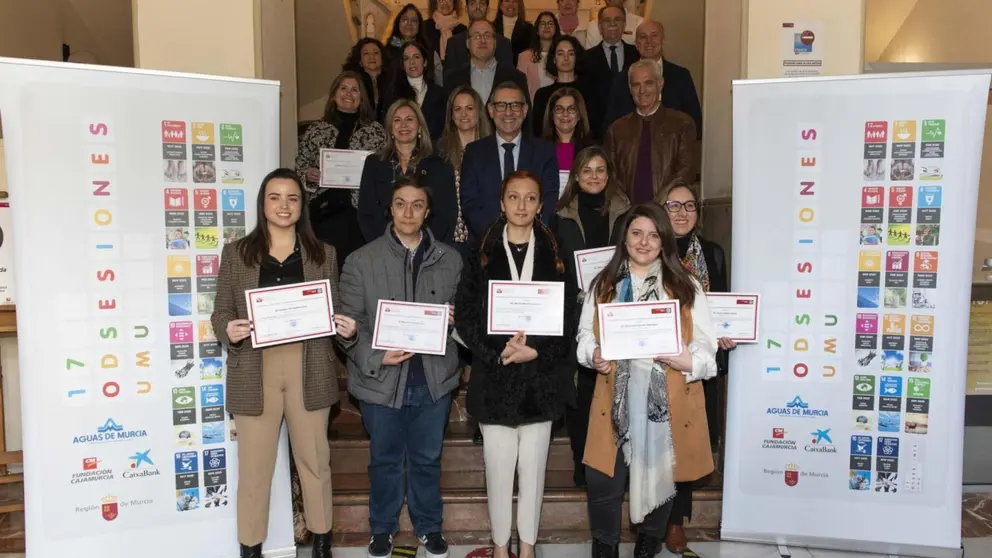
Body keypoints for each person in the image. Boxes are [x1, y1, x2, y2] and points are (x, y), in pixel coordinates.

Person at [212, 168, 358, 558]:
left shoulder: (322, 254)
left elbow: (335, 309)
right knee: (255, 472)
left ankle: (322, 545)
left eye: (292, 198)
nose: (283, 205)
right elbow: (220, 311)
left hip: (308, 366)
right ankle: (251, 549)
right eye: (275, 197)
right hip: (254, 370)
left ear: (302, 205)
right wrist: (229, 329)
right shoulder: (236, 253)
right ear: (263, 204)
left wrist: (347, 328)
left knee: (315, 464)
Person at [577, 202, 717, 558]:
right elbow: (583, 337)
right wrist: (593, 354)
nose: (644, 242)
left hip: (667, 403)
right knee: (603, 483)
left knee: (660, 480)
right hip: (614, 400)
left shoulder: (687, 288)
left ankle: (647, 549)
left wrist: (688, 360)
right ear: (624, 239)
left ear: (664, 241)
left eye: (654, 235)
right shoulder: (603, 285)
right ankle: (604, 549)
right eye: (637, 233)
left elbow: (707, 349)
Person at [339, 176, 463, 558]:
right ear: (390, 208)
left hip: (432, 377)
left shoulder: (451, 259)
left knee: (427, 459)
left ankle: (428, 526)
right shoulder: (361, 260)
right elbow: (347, 324)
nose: (408, 212)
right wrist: (377, 357)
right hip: (381, 379)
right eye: (400, 203)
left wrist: (456, 322)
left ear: (427, 212)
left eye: (417, 205)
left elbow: (464, 318)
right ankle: (383, 528)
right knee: (385, 460)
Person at [454, 170, 575, 558]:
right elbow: (467, 316)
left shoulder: (557, 255)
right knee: (498, 471)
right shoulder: (480, 252)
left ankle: (527, 547)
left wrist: (536, 350)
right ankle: (500, 545)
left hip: (539, 382)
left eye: (530, 198)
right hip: (495, 379)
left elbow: (568, 317)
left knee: (534, 473)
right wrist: (498, 352)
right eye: (513, 197)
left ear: (541, 206)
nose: (521, 206)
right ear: (502, 202)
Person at [660, 179, 734, 555]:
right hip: (659, 363)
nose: (683, 213)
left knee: (688, 444)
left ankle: (676, 523)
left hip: (699, 363)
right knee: (660, 445)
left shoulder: (714, 253)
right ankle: (654, 518)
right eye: (674, 206)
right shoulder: (651, 249)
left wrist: (727, 333)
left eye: (689, 206)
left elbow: (722, 304)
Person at [553, 146, 630, 488]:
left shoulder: (627, 213)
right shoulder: (560, 216)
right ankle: (582, 462)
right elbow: (555, 268)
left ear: (609, 174)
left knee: (616, 385)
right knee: (582, 390)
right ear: (576, 176)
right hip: (575, 312)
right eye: (587, 170)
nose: (594, 176)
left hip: (618, 310)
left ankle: (615, 462)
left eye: (600, 170)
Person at [296, 72, 387, 270]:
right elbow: (300, 167)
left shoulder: (376, 131)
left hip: (361, 214)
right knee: (325, 270)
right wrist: (309, 176)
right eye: (343, 88)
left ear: (362, 97)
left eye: (355, 90)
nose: (349, 94)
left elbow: (385, 171)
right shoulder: (316, 129)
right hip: (324, 213)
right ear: (333, 94)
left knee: (357, 273)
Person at [460, 81, 559, 240]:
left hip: (535, 244)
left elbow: (549, 199)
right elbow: (470, 204)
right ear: (491, 110)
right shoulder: (474, 153)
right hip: (487, 247)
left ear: (525, 111)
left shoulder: (544, 151)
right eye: (501, 105)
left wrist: (528, 237)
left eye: (515, 105)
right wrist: (498, 238)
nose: (508, 112)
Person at [358, 99, 458, 244]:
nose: (403, 125)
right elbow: (365, 214)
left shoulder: (441, 166)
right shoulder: (373, 163)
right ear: (390, 128)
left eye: (409, 119)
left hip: (427, 250)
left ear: (419, 127)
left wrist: (421, 247)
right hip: (383, 249)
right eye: (397, 120)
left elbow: (446, 215)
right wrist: (383, 248)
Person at [604, 59, 694, 204]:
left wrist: (659, 205)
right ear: (629, 89)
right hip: (628, 215)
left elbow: (685, 173)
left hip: (668, 213)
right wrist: (626, 207)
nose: (642, 90)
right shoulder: (616, 130)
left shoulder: (682, 124)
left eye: (649, 83)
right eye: (636, 85)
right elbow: (611, 176)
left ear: (661, 84)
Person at [602, 19, 702, 137]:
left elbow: (695, 124)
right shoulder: (621, 79)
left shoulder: (681, 76)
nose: (649, 41)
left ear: (662, 40)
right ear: (636, 44)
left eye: (654, 36)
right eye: (643, 37)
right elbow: (610, 126)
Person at [436, 85, 494, 260]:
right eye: (458, 109)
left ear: (479, 112)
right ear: (451, 115)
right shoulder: (440, 151)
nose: (464, 114)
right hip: (450, 238)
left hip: (485, 235)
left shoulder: (493, 149)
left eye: (469, 108)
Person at [444, 19, 529, 113]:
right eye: (476, 36)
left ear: (495, 43)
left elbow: (527, 120)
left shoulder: (516, 78)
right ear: (467, 44)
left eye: (487, 36)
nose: (482, 40)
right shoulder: (452, 78)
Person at [580, 6, 638, 137]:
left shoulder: (637, 55)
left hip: (633, 130)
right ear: (600, 27)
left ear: (624, 25)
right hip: (597, 132)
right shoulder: (585, 58)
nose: (612, 23)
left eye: (617, 19)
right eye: (607, 20)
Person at [380, 41, 447, 139]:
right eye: (406, 58)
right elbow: (387, 126)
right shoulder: (392, 94)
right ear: (402, 65)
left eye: (416, 57)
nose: (412, 62)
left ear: (425, 62)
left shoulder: (440, 94)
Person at [531, 34, 587, 133]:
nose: (566, 58)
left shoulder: (590, 92)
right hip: (550, 147)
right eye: (560, 54)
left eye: (571, 54)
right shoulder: (542, 95)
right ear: (553, 59)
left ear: (576, 57)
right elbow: (538, 131)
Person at [445, 0, 514, 71]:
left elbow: (508, 77)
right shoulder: (453, 43)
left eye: (482, 3)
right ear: (466, 9)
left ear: (488, 9)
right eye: (473, 3)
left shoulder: (504, 44)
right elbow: (449, 79)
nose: (478, 7)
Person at [542, 87, 594, 174]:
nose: (565, 114)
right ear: (552, 115)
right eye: (559, 109)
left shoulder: (592, 149)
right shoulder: (538, 149)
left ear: (579, 115)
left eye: (571, 109)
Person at [516, 11, 561, 102]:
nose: (546, 27)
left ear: (556, 29)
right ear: (536, 30)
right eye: (542, 24)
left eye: (550, 24)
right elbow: (520, 87)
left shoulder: (561, 54)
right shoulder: (524, 57)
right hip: (533, 105)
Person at [423, 0, 468, 84]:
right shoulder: (425, 27)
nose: (445, 3)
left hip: (456, 81)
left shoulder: (462, 30)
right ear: (434, 3)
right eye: (441, 0)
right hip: (431, 84)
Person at [383, 4, 431, 76]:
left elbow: (436, 77)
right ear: (398, 23)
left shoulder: (428, 49)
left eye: (414, 21)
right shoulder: (387, 50)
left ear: (419, 25)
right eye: (405, 20)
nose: (409, 23)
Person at [343, 38, 386, 116]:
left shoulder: (393, 80)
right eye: (366, 53)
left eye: (376, 53)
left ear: (382, 58)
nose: (371, 57)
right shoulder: (353, 81)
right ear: (360, 61)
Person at [494, 0, 535, 66]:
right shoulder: (491, 28)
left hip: (521, 71)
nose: (511, 4)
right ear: (501, 5)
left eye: (515, 1)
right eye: (507, 0)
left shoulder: (529, 29)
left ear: (519, 6)